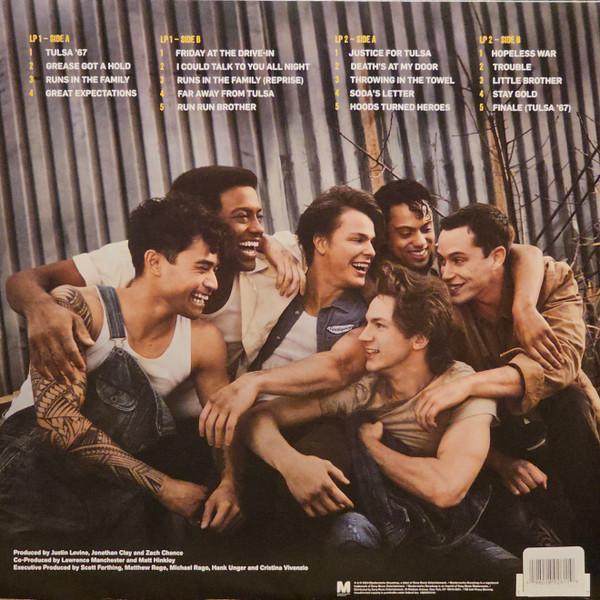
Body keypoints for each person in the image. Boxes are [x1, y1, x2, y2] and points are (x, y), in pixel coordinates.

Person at [238, 264, 516, 577]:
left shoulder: (461, 386)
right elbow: (256, 417)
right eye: (366, 322)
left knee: (508, 573)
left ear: (418, 338)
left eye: (379, 325)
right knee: (351, 536)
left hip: (446, 530)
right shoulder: (364, 390)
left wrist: (372, 446)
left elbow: (446, 488)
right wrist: (292, 465)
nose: (364, 336)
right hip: (373, 518)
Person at [0, 197, 241, 548]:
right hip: (24, 482)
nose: (213, 283)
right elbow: (58, 421)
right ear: (154, 262)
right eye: (202, 268)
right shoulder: (82, 307)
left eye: (215, 270)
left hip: (108, 497)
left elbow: (222, 421)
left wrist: (230, 483)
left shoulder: (204, 340)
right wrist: (164, 488)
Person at [5, 166, 304, 392]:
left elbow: (324, 241)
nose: (258, 228)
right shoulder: (141, 258)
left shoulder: (269, 259)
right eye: (242, 216)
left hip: (198, 417)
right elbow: (25, 279)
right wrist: (40, 309)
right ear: (201, 221)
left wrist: (270, 244)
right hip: (125, 413)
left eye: (259, 216)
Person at [417, 203, 600, 555]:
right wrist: (500, 462)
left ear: (497, 257)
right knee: (514, 527)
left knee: (572, 405)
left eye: (459, 260)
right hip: (493, 432)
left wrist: (469, 383)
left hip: (561, 422)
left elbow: (558, 366)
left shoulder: (550, 282)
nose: (447, 273)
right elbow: (430, 400)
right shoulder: (442, 307)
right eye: (442, 261)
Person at [199, 185, 384, 447]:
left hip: (303, 429)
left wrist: (255, 382)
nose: (371, 251)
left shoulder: (367, 314)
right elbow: (238, 242)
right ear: (321, 243)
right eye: (358, 239)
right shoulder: (276, 284)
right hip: (238, 419)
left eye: (371, 241)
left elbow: (338, 367)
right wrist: (268, 244)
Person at [372, 178, 564, 370]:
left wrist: (524, 307)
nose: (421, 241)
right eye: (406, 233)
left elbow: (524, 253)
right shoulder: (377, 280)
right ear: (384, 235)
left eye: (426, 229)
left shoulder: (443, 259)